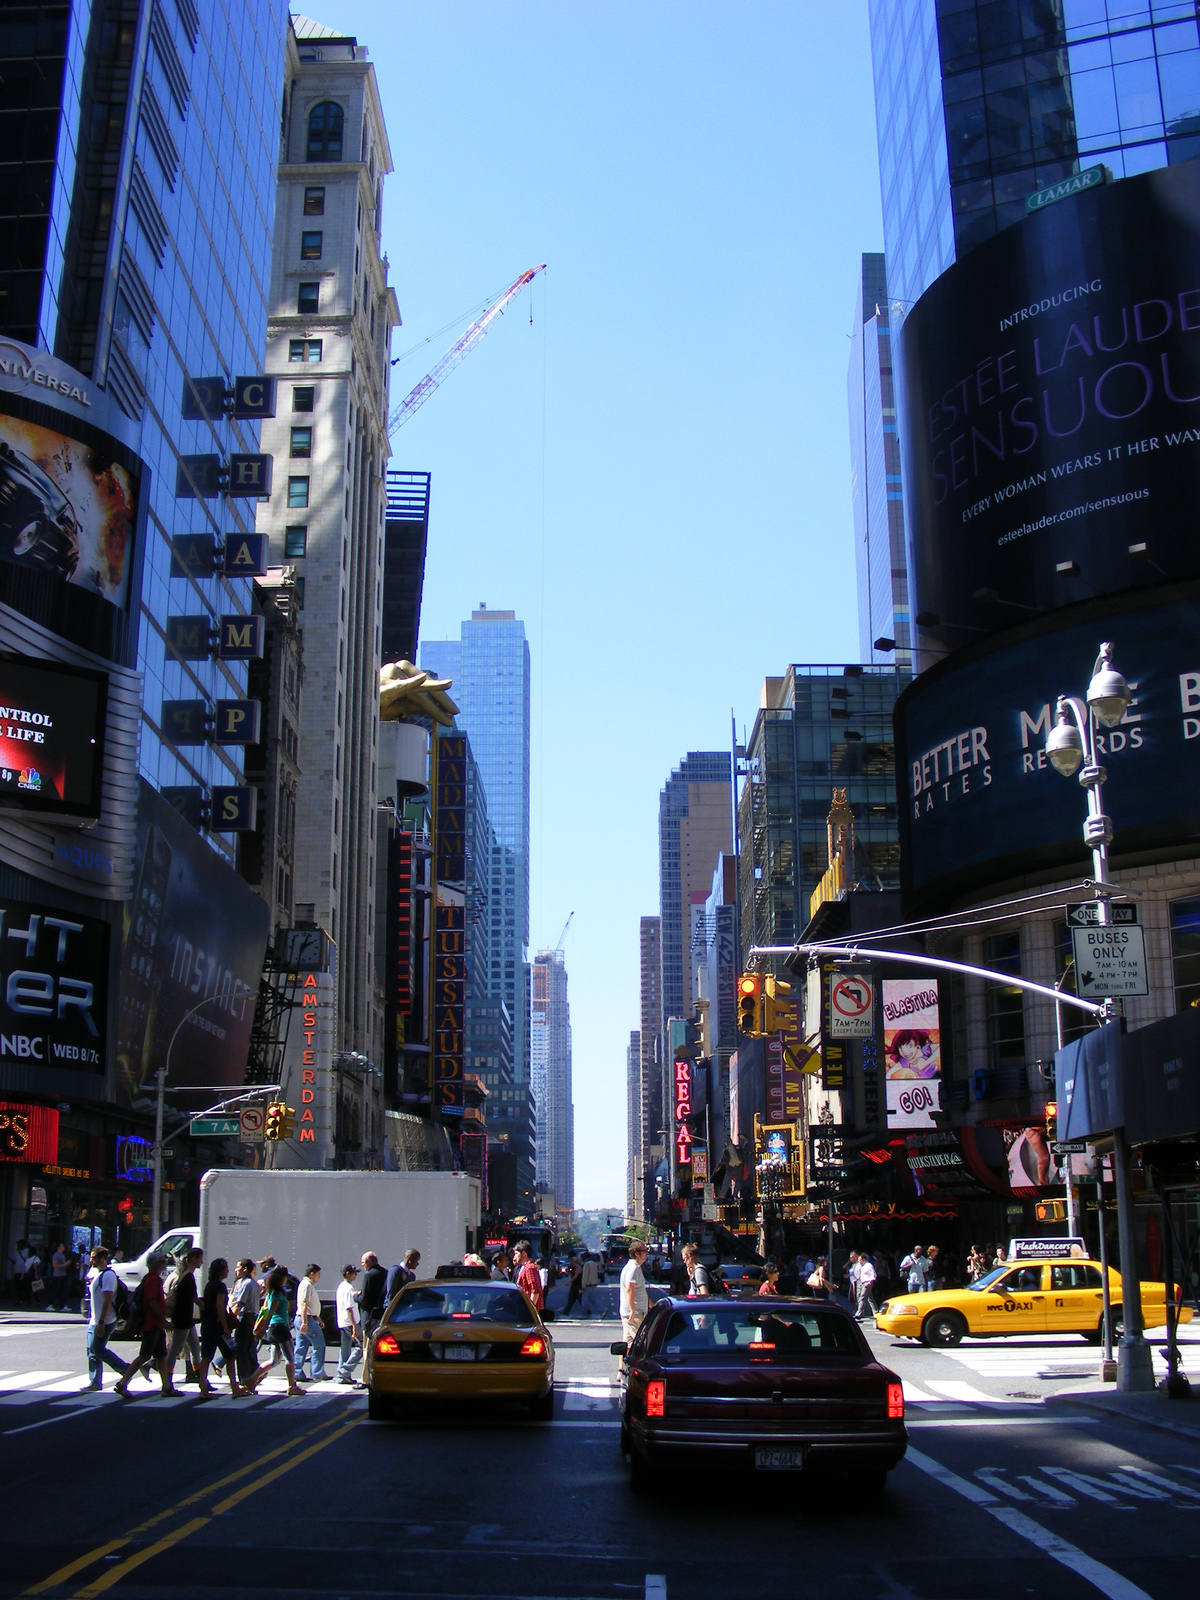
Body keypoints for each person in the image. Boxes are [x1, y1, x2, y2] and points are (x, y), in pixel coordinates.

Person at [115, 1253, 177, 1396]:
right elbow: (152, 1301)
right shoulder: (152, 1279)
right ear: (154, 1264)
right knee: (144, 1355)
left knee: (161, 1355)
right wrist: (163, 1320)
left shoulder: (152, 1279)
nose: (165, 1263)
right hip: (152, 1324)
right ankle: (122, 1383)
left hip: (156, 1325)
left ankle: (166, 1386)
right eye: (162, 1261)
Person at [246, 1265, 304, 1397]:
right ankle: (291, 1386)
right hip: (280, 1327)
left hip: (274, 1328)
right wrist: (262, 1329)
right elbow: (270, 1312)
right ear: (281, 1278)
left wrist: (265, 1329)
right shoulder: (277, 1293)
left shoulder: (271, 1292)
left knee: (274, 1360)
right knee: (290, 1358)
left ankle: (251, 1380)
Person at [84, 1246, 130, 1390]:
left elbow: (108, 1299)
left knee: (97, 1349)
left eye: (93, 1257)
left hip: (106, 1320)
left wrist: (101, 1322)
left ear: (102, 1259)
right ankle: (95, 1381)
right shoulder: (98, 1273)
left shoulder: (108, 1276)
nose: (91, 1260)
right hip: (95, 1320)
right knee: (91, 1350)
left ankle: (125, 1369)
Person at [197, 1259, 244, 1398]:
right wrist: (225, 1328)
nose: (228, 1271)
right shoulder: (220, 1286)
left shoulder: (209, 1285)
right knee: (230, 1355)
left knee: (205, 1357)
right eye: (226, 1268)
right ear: (221, 1270)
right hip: (217, 1326)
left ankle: (203, 1390)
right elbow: (219, 1306)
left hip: (206, 1324)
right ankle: (234, 1388)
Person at [164, 1248, 203, 1385]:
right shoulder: (188, 1276)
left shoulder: (184, 1274)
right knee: (175, 1349)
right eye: (200, 1259)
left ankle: (199, 1377)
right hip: (182, 1319)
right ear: (194, 1259)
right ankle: (167, 1380)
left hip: (186, 1319)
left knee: (195, 1348)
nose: (202, 1262)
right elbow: (193, 1298)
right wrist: (208, 1308)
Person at [227, 1258, 261, 1386]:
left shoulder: (246, 1284)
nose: (236, 1270)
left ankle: (245, 1379)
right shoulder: (252, 1283)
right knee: (248, 1349)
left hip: (245, 1318)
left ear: (245, 1269)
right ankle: (253, 1376)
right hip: (251, 1318)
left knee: (241, 1350)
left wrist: (230, 1321)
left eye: (238, 1267)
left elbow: (239, 1304)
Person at [293, 1263, 326, 1382]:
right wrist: (305, 1322)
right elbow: (304, 1303)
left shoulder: (306, 1284)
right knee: (319, 1345)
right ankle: (317, 1372)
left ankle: (296, 1371)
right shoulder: (307, 1285)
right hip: (306, 1318)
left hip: (304, 1318)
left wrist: (318, 1318)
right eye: (318, 1274)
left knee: (301, 1346)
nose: (319, 1277)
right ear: (312, 1274)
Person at [335, 1264, 362, 1385]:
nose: (355, 1275)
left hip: (342, 1322)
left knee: (345, 1349)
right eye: (354, 1273)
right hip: (350, 1322)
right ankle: (345, 1371)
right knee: (361, 1346)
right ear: (347, 1273)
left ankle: (342, 1376)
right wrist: (354, 1326)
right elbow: (349, 1308)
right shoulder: (348, 1288)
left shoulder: (341, 1286)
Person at [619, 1242, 649, 1344]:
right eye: (644, 1251)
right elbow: (629, 1289)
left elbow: (640, 1291)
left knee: (628, 1343)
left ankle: (623, 1360)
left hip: (633, 1312)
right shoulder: (633, 1268)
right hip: (635, 1313)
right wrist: (632, 1310)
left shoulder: (633, 1267)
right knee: (640, 1343)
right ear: (637, 1253)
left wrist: (652, 1306)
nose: (646, 1253)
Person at [358, 1252, 388, 1349]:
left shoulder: (369, 1275)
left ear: (369, 1262)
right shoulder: (385, 1272)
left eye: (363, 1262)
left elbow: (365, 1298)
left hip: (369, 1317)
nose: (362, 1265)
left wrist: (355, 1297)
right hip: (381, 1314)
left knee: (367, 1348)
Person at [512, 1242, 544, 1312]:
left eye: (516, 1253)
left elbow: (535, 1291)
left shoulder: (530, 1268)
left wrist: (530, 1310)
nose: (514, 1256)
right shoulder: (523, 1267)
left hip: (527, 1310)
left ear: (524, 1253)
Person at [855, 1254, 879, 1320]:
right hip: (863, 1282)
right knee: (870, 1298)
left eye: (860, 1260)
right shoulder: (863, 1266)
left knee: (862, 1297)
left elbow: (873, 1275)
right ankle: (876, 1312)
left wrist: (870, 1282)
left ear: (863, 1259)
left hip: (867, 1283)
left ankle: (859, 1313)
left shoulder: (869, 1266)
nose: (859, 1261)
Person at [50, 1242, 68, 1310]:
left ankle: (62, 1306)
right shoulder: (56, 1255)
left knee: (62, 1291)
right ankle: (50, 1304)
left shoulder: (62, 1255)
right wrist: (64, 1265)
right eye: (62, 1246)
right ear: (58, 1247)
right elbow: (54, 1265)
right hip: (57, 1275)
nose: (63, 1247)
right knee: (55, 1291)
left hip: (63, 1274)